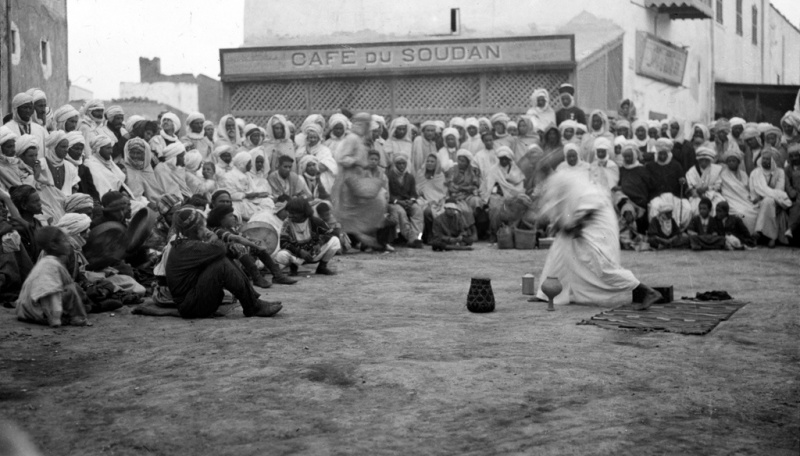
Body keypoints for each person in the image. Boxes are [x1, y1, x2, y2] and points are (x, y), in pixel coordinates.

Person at [534, 169, 661, 309]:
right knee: (560, 251)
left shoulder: (578, 186)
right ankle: (546, 294)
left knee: (599, 265)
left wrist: (571, 225)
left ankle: (648, 291)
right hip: (583, 222)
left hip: (597, 226)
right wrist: (563, 225)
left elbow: (586, 212)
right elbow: (560, 210)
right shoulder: (561, 184)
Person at [166, 208, 282, 318]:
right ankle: (253, 305)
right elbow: (220, 249)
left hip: (194, 301)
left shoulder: (187, 244)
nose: (205, 229)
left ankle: (253, 302)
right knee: (221, 263)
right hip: (191, 306)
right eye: (202, 226)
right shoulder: (188, 247)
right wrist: (212, 236)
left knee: (224, 257)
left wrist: (236, 247)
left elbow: (222, 250)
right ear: (195, 229)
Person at [330, 112, 387, 249]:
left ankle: (363, 239)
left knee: (366, 206)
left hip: (357, 178)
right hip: (348, 181)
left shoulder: (359, 139)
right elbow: (341, 158)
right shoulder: (352, 139)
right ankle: (349, 241)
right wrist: (357, 162)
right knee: (348, 212)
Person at [15, 226, 91, 327]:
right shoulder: (50, 265)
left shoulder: (49, 261)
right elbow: (50, 291)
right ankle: (77, 318)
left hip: (27, 310)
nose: (68, 244)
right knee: (71, 289)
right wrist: (55, 318)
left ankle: (74, 314)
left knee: (74, 288)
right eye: (65, 241)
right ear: (54, 246)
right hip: (35, 311)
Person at [206, 204, 297, 287]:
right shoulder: (218, 231)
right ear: (221, 219)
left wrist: (255, 241)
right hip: (223, 258)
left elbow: (244, 237)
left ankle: (278, 275)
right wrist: (256, 246)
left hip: (235, 257)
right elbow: (238, 239)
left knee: (257, 248)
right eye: (230, 216)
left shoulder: (230, 229)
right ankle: (256, 277)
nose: (233, 218)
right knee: (240, 247)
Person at [276, 197, 340, 275]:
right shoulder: (287, 222)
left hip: (313, 253)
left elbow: (332, 233)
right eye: (289, 213)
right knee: (281, 256)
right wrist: (299, 252)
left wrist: (320, 243)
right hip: (296, 256)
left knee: (335, 241)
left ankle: (322, 267)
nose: (290, 216)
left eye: (293, 213)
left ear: (303, 213)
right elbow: (283, 242)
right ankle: (293, 267)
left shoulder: (315, 221)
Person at [749, 148, 792, 247]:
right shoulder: (755, 172)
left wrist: (764, 194)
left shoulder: (780, 172)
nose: (765, 161)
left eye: (768, 159)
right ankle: (772, 237)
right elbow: (753, 190)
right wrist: (759, 197)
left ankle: (759, 231)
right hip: (757, 201)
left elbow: (779, 191)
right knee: (767, 202)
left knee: (768, 201)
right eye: (763, 158)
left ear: (773, 160)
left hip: (776, 201)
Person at [222, 151, 273, 221]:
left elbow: (252, 190)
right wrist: (246, 195)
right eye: (249, 163)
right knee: (235, 207)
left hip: (250, 201)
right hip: (238, 202)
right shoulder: (229, 176)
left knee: (268, 201)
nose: (251, 165)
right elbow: (229, 194)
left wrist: (259, 194)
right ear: (242, 163)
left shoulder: (247, 175)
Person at [387, 154, 424, 248]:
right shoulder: (389, 176)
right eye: (399, 163)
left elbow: (413, 193)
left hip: (407, 202)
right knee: (401, 212)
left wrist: (411, 201)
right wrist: (398, 202)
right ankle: (410, 237)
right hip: (394, 203)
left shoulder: (410, 177)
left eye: (403, 163)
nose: (401, 166)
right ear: (394, 164)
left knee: (417, 210)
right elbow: (388, 194)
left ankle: (417, 237)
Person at [295, 123, 337, 194]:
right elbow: (299, 163)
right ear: (307, 138)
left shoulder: (324, 150)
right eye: (311, 137)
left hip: (320, 175)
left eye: (315, 137)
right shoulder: (302, 149)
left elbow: (326, 165)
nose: (313, 140)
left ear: (319, 138)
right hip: (304, 175)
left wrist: (315, 168)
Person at [685, 145, 725, 215]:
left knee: (719, 206)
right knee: (695, 209)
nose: (704, 162)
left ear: (710, 160)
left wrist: (707, 188)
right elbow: (691, 187)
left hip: (712, 194)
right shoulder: (691, 171)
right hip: (697, 195)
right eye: (702, 159)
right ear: (698, 160)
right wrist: (698, 192)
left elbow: (718, 185)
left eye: (706, 160)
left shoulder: (715, 170)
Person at [123, 138, 162, 205]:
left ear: (145, 154)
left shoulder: (148, 169)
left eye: (138, 153)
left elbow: (154, 193)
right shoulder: (124, 169)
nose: (135, 156)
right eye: (132, 152)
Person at [785, 144, 800, 239]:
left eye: (796, 155)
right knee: (797, 205)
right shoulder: (788, 169)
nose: (794, 158)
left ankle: (791, 229)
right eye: (791, 156)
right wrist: (792, 193)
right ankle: (790, 229)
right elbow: (787, 184)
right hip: (794, 195)